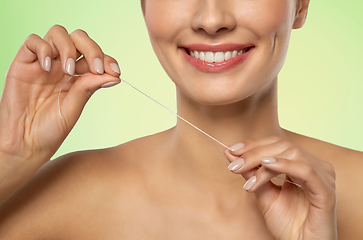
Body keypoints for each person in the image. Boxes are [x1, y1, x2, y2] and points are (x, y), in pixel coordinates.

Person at [0, 0, 362, 239]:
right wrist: (8, 158)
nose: (212, 20)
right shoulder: (65, 199)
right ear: (143, 6)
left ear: (299, 6)